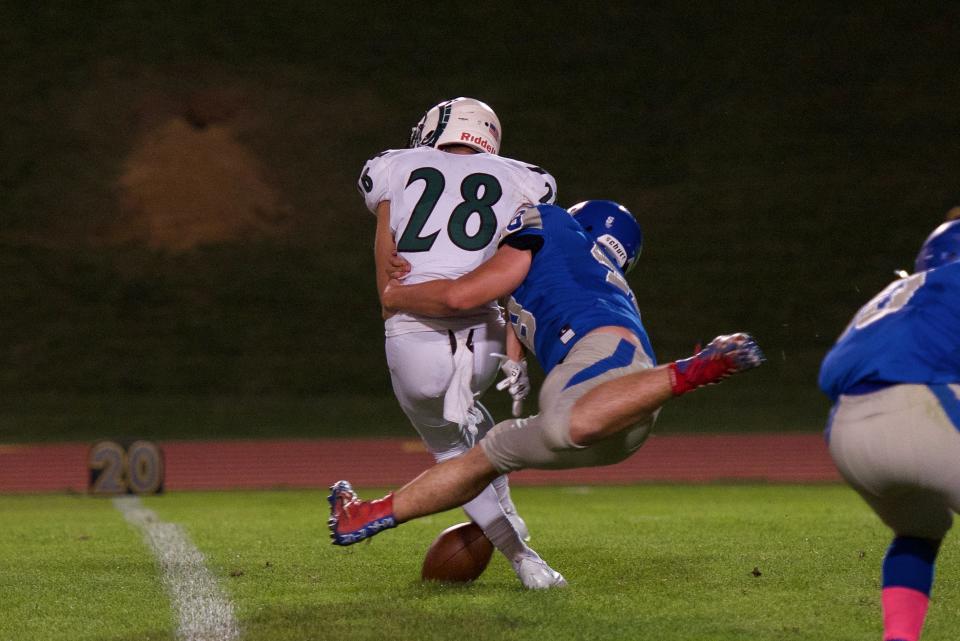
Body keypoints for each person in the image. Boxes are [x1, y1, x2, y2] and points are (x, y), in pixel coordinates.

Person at [328, 200, 765, 587]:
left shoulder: (550, 222)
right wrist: (514, 355)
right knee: (486, 453)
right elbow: (520, 298)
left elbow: (464, 295)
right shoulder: (589, 274)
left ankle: (696, 368)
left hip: (605, 367)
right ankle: (364, 516)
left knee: (564, 423)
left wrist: (398, 293)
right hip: (617, 410)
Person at [357, 97, 561, 588]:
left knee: (453, 453)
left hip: (414, 326)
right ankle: (507, 512)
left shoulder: (392, 166)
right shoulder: (527, 179)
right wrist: (516, 345)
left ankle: (523, 557)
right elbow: (521, 266)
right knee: (474, 425)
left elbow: (388, 263)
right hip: (484, 330)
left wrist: (391, 297)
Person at [819, 217, 960, 641]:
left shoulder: (892, 296)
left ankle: (899, 637)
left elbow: (830, 374)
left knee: (919, 531)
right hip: (921, 408)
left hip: (848, 432)